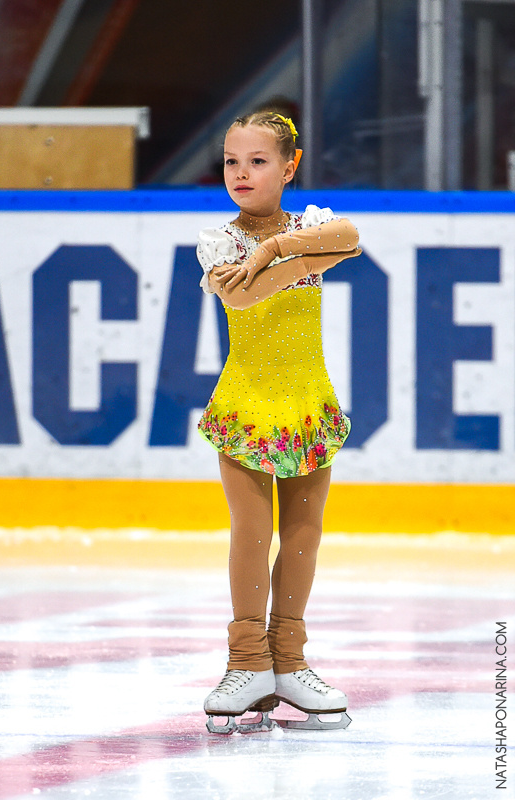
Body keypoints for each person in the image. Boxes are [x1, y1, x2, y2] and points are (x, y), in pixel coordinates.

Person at [196, 111, 361, 734]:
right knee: (250, 530)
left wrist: (276, 246)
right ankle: (247, 663)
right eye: (232, 161)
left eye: (258, 161)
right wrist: (305, 259)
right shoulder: (216, 241)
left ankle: (288, 662)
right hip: (245, 405)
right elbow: (240, 296)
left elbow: (351, 236)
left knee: (304, 532)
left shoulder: (309, 226)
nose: (241, 173)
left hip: (307, 405)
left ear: (289, 167)